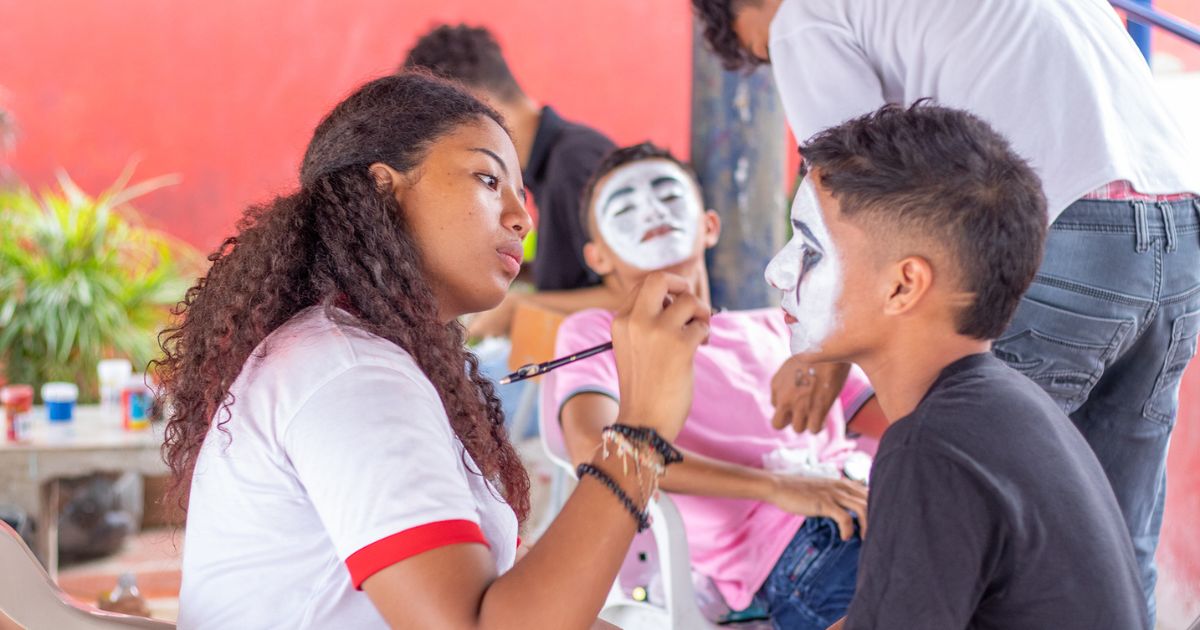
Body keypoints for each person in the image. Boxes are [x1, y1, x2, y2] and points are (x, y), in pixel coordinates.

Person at [693, 0, 1200, 619]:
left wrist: (819, 354)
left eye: (765, 54)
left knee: (956, 496)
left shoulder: (798, 14)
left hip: (1067, 225)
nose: (783, 64)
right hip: (1178, 230)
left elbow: (851, 202)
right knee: (1116, 541)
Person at [155, 72, 711, 629]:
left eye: (521, 193)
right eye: (489, 180)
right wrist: (640, 430)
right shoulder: (350, 374)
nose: (522, 217)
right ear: (382, 189)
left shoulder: (363, 358)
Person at [763, 102, 1147, 628]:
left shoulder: (930, 446)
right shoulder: (1005, 402)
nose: (778, 270)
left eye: (809, 248)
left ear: (903, 285)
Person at [550, 142, 886, 630]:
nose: (651, 211)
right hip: (801, 550)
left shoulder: (779, 322)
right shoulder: (597, 335)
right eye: (624, 207)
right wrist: (777, 488)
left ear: (710, 225)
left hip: (878, 501)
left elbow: (896, 411)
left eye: (668, 196)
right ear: (597, 256)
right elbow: (594, 450)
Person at [403, 24, 622, 339]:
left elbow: (639, 295)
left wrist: (518, 306)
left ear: (478, 105)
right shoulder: (547, 169)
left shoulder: (576, 160)